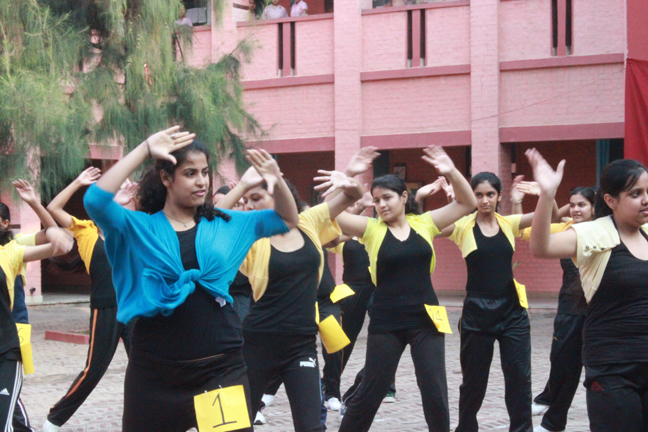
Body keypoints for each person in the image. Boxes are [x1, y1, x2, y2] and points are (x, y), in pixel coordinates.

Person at [83, 126, 299, 432]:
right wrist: (144, 149)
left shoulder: (228, 224)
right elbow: (95, 201)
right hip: (154, 374)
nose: (202, 181)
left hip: (219, 370)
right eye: (190, 173)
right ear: (166, 178)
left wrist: (276, 179)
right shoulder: (138, 227)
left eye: (205, 172)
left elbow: (287, 219)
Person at [332, 146, 477, 432]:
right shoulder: (371, 229)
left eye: (387, 197)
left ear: (403, 197)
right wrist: (347, 175)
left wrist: (451, 170)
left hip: (426, 320)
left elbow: (467, 203)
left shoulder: (425, 223)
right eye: (376, 200)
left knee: (435, 393)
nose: (381, 205)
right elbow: (327, 214)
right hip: (386, 322)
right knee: (370, 393)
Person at [218, 162, 364, 432]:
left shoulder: (308, 221)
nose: (248, 206)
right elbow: (211, 220)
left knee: (311, 427)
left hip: (301, 344)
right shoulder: (249, 235)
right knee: (236, 424)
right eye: (246, 201)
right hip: (258, 343)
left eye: (256, 198)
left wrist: (349, 180)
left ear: (279, 194)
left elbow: (354, 195)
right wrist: (244, 186)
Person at [527, 151, 648, 432]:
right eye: (635, 194)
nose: (645, 199)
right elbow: (541, 247)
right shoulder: (594, 233)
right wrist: (547, 194)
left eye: (647, 192)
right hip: (613, 368)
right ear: (611, 200)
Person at [441, 172, 548, 432]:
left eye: (490, 194)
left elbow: (548, 215)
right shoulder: (463, 226)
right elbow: (430, 227)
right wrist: (454, 204)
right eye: (478, 195)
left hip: (512, 310)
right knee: (474, 382)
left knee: (520, 378)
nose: (485, 200)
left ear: (499, 196)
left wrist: (546, 194)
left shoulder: (508, 223)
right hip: (477, 313)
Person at [42, 168, 138, 432]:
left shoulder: (128, 228)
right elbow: (53, 208)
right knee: (94, 370)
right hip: (105, 308)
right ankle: (54, 419)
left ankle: (154, 418)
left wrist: (123, 204)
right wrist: (78, 182)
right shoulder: (85, 230)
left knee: (145, 365)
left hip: (133, 307)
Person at [518, 186, 595, 432]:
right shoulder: (566, 229)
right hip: (570, 308)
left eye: (582, 205)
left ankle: (554, 414)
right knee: (563, 362)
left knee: (594, 368)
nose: (575, 209)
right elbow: (527, 232)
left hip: (598, 311)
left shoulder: (606, 231)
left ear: (595, 207)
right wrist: (547, 194)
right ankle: (551, 412)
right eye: (572, 205)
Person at [0, 207, 73, 432]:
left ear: (5, 223)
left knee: (7, 402)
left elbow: (55, 238)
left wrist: (34, 202)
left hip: (12, 332)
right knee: (9, 401)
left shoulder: (13, 248)